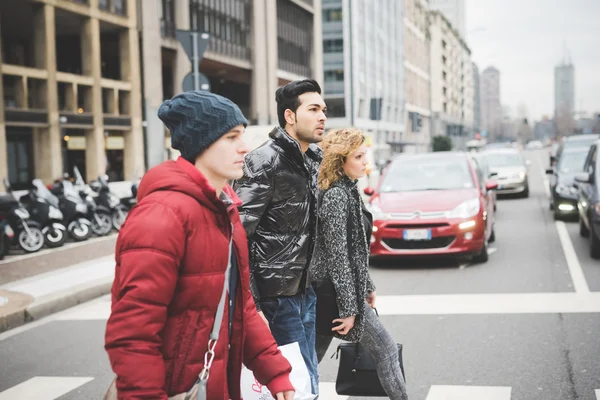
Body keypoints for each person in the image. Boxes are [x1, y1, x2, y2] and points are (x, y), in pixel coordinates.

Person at [104, 91, 295, 400]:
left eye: (242, 136)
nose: (244, 147)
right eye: (232, 137)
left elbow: (240, 304)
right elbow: (133, 331)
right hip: (173, 389)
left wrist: (274, 370)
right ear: (200, 142)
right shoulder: (162, 215)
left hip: (214, 385)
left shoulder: (224, 210)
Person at [233, 79, 326, 395]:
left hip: (304, 289)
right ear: (290, 116)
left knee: (307, 373)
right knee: (292, 382)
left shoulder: (314, 158)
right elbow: (238, 235)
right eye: (313, 109)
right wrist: (253, 302)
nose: (322, 116)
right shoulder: (263, 161)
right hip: (275, 296)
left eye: (323, 109)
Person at [312, 128, 408, 400]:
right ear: (339, 161)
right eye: (358, 156)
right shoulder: (335, 196)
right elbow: (338, 256)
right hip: (334, 292)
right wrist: (350, 308)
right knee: (387, 350)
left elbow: (355, 250)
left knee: (309, 361)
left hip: (340, 292)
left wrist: (367, 285)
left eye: (365, 155)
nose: (365, 162)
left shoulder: (348, 189)